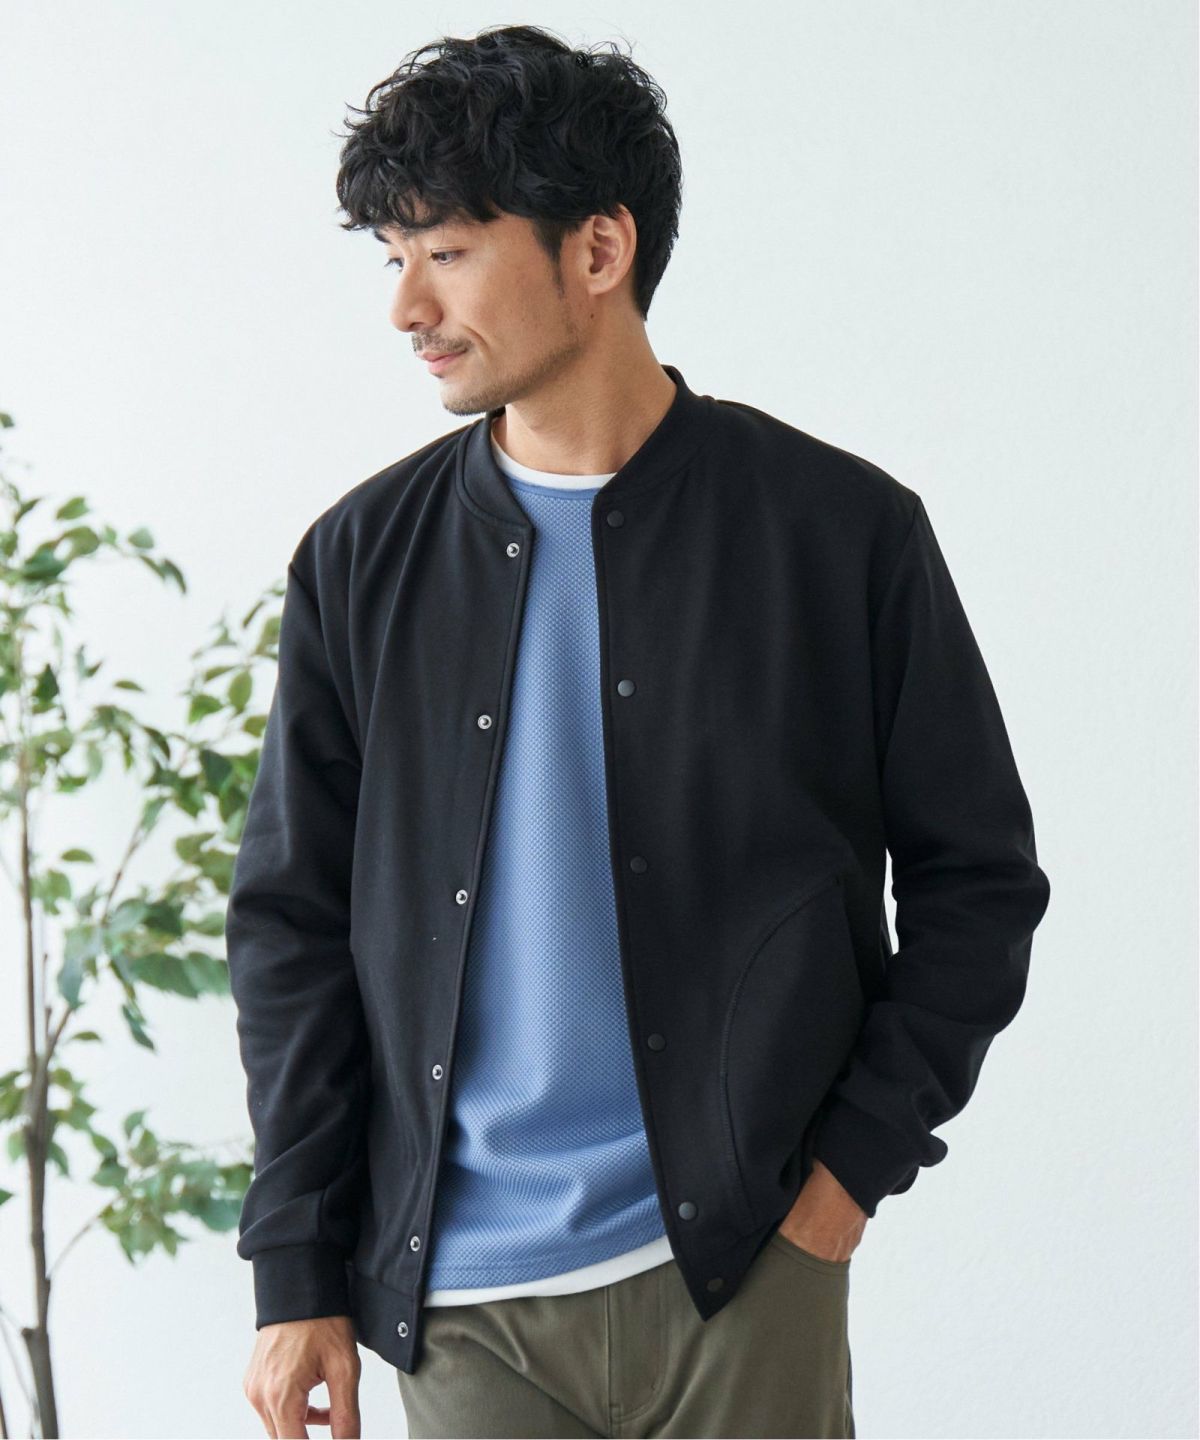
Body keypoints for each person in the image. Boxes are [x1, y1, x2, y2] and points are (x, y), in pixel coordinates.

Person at [228, 23, 1051, 1440]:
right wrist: (295, 1267)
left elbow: (978, 879)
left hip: (740, 1270)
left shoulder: (837, 534)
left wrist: (843, 1180)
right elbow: (290, 929)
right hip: (462, 1301)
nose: (407, 305)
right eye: (394, 257)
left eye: (448, 250)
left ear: (598, 249)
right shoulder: (360, 563)